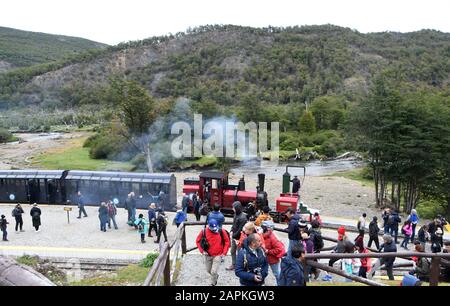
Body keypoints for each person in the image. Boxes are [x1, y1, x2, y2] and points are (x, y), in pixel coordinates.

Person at [196, 219, 230, 286]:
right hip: (208, 255)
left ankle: (213, 284)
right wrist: (202, 251)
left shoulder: (221, 231)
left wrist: (224, 252)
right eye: (212, 229)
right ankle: (215, 276)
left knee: (213, 271)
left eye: (215, 228)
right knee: (209, 270)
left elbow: (227, 241)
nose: (214, 230)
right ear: (209, 226)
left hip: (218, 255)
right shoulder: (203, 231)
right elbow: (197, 241)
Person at [261, 221, 285, 285]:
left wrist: (268, 251)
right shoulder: (262, 235)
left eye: (263, 228)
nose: (261, 229)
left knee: (277, 274)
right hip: (264, 258)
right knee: (262, 272)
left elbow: (279, 249)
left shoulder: (273, 238)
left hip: (272, 259)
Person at [227, 201, 247, 271]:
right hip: (234, 236)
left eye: (233, 207)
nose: (232, 209)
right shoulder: (235, 214)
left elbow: (240, 229)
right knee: (232, 251)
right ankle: (234, 264)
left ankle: (239, 266)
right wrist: (231, 230)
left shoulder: (243, 217)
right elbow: (234, 224)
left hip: (240, 238)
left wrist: (233, 235)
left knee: (239, 253)